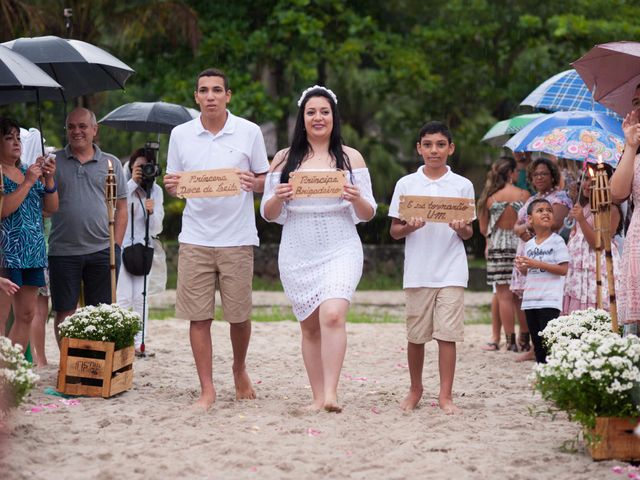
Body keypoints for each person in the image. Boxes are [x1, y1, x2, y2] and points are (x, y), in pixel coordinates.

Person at [261, 85, 376, 413]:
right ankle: (316, 397)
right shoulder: (284, 158)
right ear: (302, 117)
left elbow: (368, 213)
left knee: (333, 314)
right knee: (310, 326)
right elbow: (268, 215)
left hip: (341, 244)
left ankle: (331, 394)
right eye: (311, 112)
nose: (318, 117)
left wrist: (356, 198)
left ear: (333, 116)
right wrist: (277, 197)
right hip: (298, 247)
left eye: (324, 111)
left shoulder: (351, 157)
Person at [163, 68, 269, 410]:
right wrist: (172, 186)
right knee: (199, 317)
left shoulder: (249, 132)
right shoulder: (181, 134)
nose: (210, 96)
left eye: (217, 90)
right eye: (204, 90)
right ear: (196, 97)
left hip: (237, 238)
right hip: (194, 238)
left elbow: (265, 179)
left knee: (238, 316)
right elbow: (174, 180)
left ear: (228, 95)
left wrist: (254, 183)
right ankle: (207, 389)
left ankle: (239, 368)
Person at [388, 121, 474, 413]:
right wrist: (408, 227)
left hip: (452, 269)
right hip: (418, 271)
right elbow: (394, 231)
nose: (433, 150)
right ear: (419, 148)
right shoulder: (406, 184)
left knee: (447, 335)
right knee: (416, 336)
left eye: (440, 144)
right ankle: (415, 389)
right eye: (427, 144)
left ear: (450, 148)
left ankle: (445, 395)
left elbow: (469, 233)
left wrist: (461, 228)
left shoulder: (463, 185)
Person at [48, 108, 128, 342]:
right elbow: (46, 205)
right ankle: (67, 363)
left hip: (103, 250)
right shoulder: (54, 162)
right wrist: (48, 177)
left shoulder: (110, 163)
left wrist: (117, 245)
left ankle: (97, 366)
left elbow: (122, 207)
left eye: (82, 126)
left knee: (100, 313)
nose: (76, 131)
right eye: (71, 127)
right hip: (63, 250)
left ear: (95, 129)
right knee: (65, 310)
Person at [0, 118, 58, 352]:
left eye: (17, 137)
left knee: (26, 314)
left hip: (32, 252)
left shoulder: (26, 170)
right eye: (8, 138)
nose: (16, 142)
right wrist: (28, 182)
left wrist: (49, 178)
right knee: (2, 317)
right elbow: (4, 210)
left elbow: (51, 208)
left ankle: (11, 374)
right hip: (6, 254)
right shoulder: (3, 173)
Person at [510, 157, 572, 359]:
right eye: (535, 174)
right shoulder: (531, 198)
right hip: (530, 254)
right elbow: (516, 226)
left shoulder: (560, 198)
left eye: (544, 173)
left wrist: (527, 229)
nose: (539, 177)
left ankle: (546, 361)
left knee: (547, 332)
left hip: (549, 287)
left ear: (553, 175)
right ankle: (533, 351)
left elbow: (555, 225)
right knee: (533, 322)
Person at [478, 157, 530, 351]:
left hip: (497, 246)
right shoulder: (524, 195)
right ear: (510, 173)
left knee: (503, 296)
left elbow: (484, 229)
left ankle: (510, 342)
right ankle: (525, 340)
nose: (518, 174)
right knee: (520, 295)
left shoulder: (490, 199)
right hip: (519, 245)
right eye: (516, 171)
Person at [116, 147, 164, 354]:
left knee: (141, 298)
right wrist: (133, 183)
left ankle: (138, 343)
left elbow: (156, 228)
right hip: (124, 247)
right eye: (139, 167)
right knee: (123, 297)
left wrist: (151, 211)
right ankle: (120, 342)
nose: (143, 171)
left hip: (144, 250)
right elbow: (115, 209)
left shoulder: (156, 191)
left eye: (147, 167)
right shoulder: (124, 188)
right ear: (131, 167)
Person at [515, 199, 569, 363]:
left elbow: (563, 269)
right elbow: (529, 272)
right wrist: (523, 268)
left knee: (548, 341)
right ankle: (541, 373)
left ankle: (551, 373)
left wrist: (536, 263)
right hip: (530, 300)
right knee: (537, 343)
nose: (546, 213)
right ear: (529, 219)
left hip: (549, 300)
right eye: (540, 210)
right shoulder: (529, 244)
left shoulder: (557, 241)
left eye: (549, 210)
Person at [563, 166, 622, 314]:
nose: (588, 184)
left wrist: (582, 220)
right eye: (587, 178)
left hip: (597, 265)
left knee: (595, 303)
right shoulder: (584, 206)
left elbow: (600, 244)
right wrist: (575, 222)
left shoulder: (610, 210)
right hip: (579, 268)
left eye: (594, 180)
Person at [611, 91, 640, 334]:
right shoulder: (634, 150)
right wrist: (630, 146)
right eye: (636, 102)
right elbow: (617, 192)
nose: (639, 108)